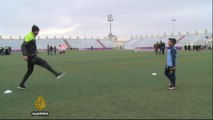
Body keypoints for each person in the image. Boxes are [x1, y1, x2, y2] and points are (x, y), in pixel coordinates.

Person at [18, 25, 65, 90]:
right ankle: (57, 74)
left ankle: (21, 84)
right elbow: (23, 45)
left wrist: (35, 51)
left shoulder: (32, 36)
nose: (38, 33)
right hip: (31, 57)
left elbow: (30, 46)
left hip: (31, 56)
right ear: (35, 31)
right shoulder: (29, 36)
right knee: (44, 63)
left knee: (30, 71)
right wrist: (24, 54)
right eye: (38, 31)